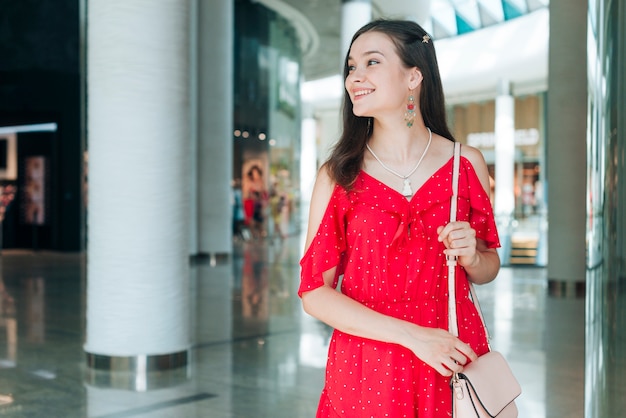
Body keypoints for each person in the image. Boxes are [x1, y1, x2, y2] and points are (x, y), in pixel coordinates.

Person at [298, 19, 501, 417]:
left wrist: (473, 258)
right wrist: (415, 338)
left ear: (414, 76)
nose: (355, 77)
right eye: (351, 67)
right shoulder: (340, 175)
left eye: (371, 62)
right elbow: (313, 293)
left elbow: (489, 264)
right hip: (368, 360)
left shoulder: (464, 163)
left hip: (452, 354)